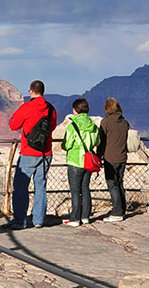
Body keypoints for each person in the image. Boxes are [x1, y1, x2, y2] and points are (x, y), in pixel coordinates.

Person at [8, 80, 57, 229]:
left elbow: (13, 125)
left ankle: (20, 221)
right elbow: (52, 126)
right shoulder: (50, 109)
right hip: (45, 152)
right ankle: (38, 221)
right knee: (40, 186)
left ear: (31, 91)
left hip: (28, 152)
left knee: (21, 186)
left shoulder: (27, 107)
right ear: (43, 91)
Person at [54, 98, 101, 226]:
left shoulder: (72, 126)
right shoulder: (93, 127)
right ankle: (85, 217)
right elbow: (97, 142)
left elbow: (67, 144)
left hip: (75, 161)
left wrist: (65, 146)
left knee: (75, 190)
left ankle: (75, 219)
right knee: (85, 188)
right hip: (88, 161)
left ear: (75, 110)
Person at [96, 97, 137, 222]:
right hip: (122, 157)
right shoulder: (124, 122)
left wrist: (98, 157)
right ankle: (122, 210)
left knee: (112, 184)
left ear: (107, 108)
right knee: (119, 183)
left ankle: (117, 213)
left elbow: (101, 142)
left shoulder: (106, 122)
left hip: (110, 158)